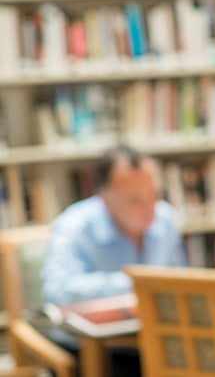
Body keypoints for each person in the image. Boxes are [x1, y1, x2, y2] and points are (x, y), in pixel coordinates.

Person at [40, 144, 187, 376]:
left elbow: (179, 281)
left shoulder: (166, 219)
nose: (150, 208)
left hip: (153, 342)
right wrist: (138, 284)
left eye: (155, 195)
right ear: (104, 198)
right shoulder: (74, 227)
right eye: (135, 200)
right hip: (90, 349)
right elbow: (58, 293)